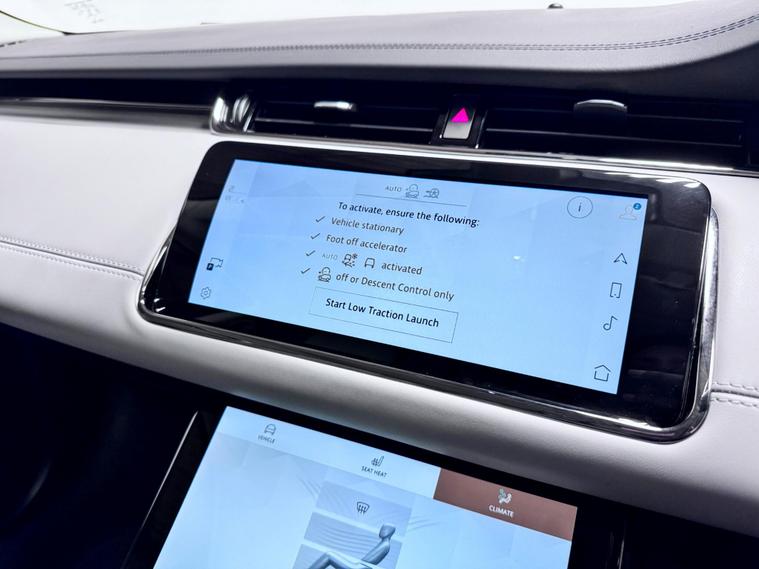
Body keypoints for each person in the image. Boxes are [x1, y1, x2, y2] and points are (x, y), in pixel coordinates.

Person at [306, 524, 396, 569]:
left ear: (390, 532)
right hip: (359, 566)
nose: (381, 531)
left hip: (359, 568)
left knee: (329, 555)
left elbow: (365, 562)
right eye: (382, 529)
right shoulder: (384, 544)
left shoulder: (385, 545)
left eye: (385, 529)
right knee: (329, 555)